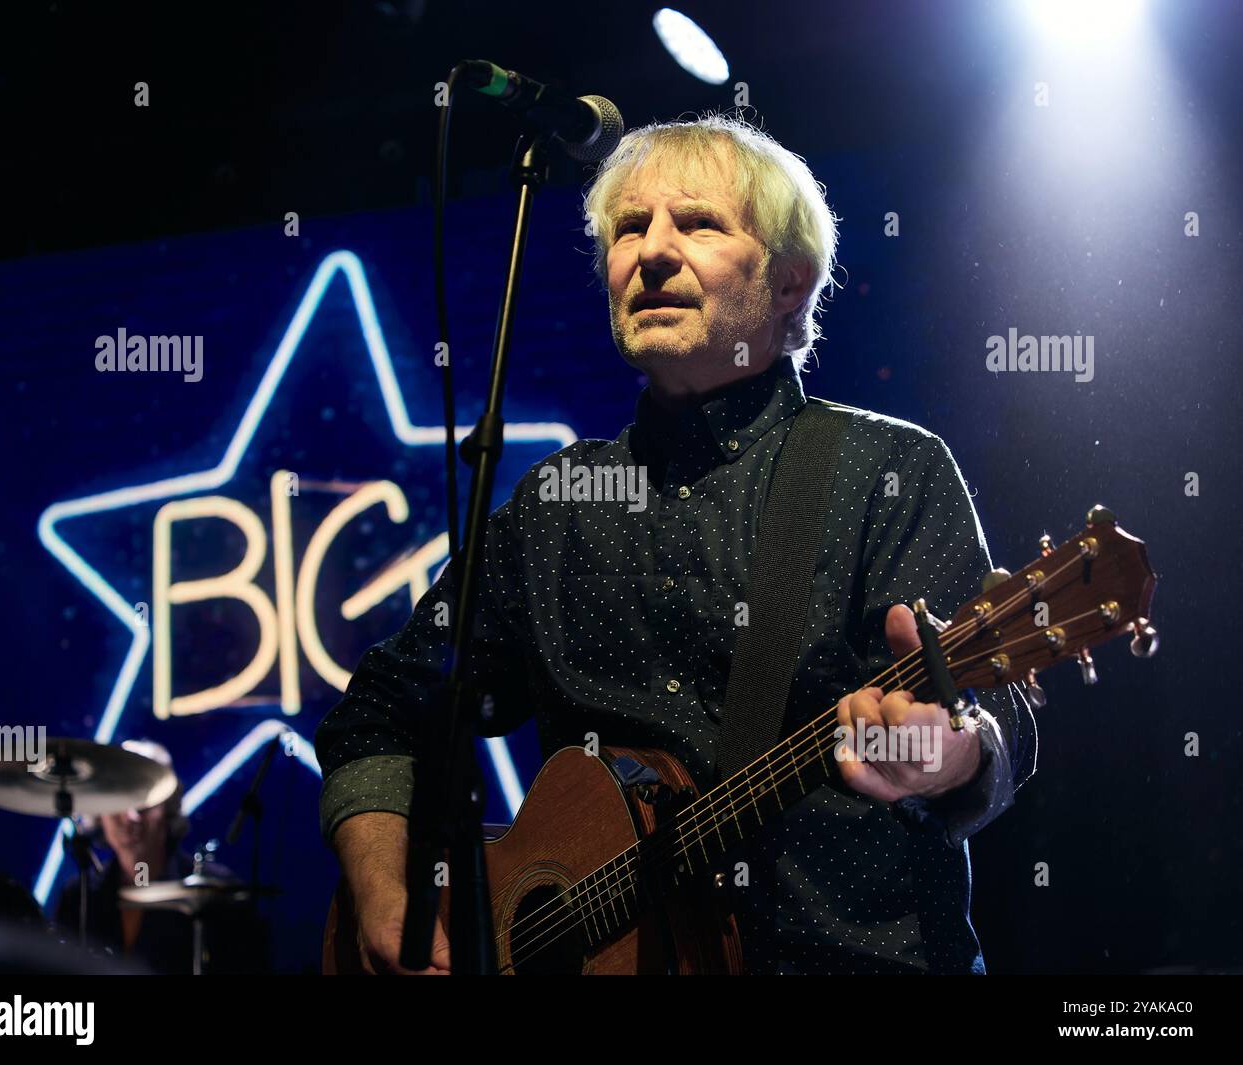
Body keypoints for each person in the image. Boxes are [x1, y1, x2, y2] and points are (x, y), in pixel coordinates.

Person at [314, 111, 1037, 975]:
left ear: (789, 283)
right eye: (628, 228)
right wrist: (388, 900)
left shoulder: (889, 468)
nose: (651, 252)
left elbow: (999, 725)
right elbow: (381, 710)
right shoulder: (555, 507)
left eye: (697, 222)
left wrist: (939, 751)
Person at [54, 740, 269, 974]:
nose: (132, 816)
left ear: (167, 807)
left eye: (143, 799)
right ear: (100, 812)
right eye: (121, 799)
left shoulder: (220, 894)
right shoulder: (79, 896)